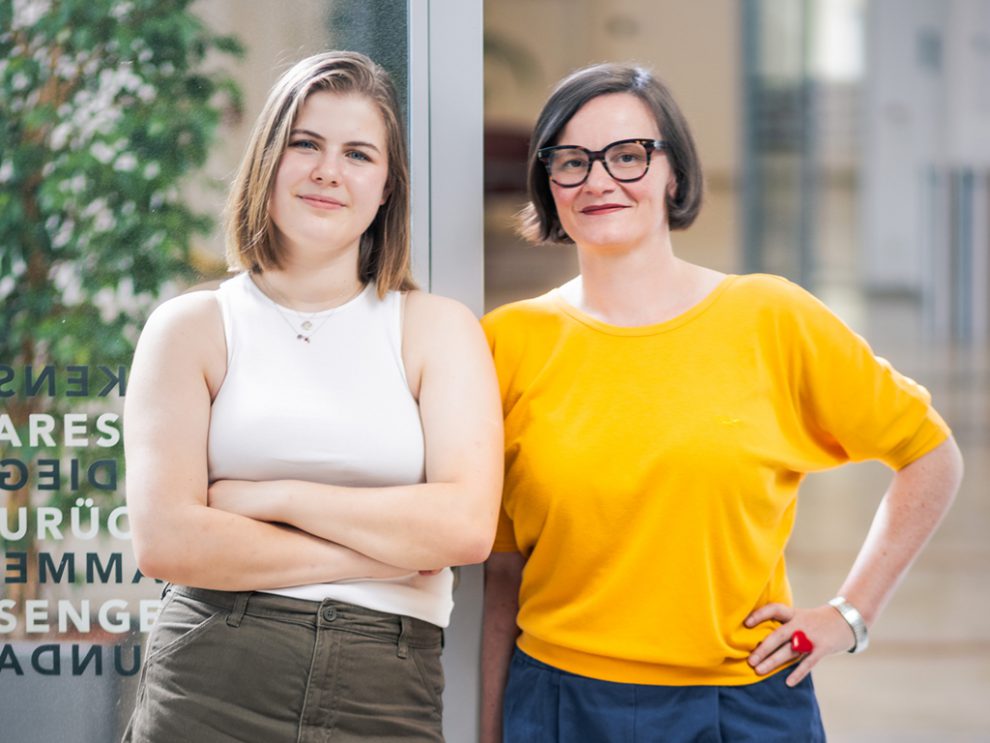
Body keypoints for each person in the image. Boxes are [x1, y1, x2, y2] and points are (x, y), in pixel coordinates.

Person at [480, 62, 963, 742]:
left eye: (628, 156)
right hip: (563, 702)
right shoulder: (506, 343)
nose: (598, 180)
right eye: (572, 160)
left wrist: (851, 613)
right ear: (548, 182)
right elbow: (502, 571)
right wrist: (490, 727)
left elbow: (930, 456)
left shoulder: (770, 315)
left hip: (743, 704)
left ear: (673, 172)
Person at [123, 51, 502, 743]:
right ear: (269, 161)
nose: (329, 170)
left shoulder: (435, 328)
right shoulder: (192, 327)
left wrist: (270, 497)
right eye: (306, 143)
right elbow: (169, 540)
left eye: (359, 153)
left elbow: (465, 527)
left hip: (384, 686)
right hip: (213, 672)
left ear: (387, 187)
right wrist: (383, 552)